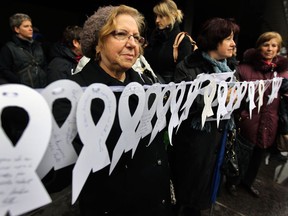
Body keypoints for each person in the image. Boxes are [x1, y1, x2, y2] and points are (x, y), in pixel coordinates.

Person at [54, 5, 173, 216]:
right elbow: (62, 170)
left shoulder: (146, 83)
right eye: (121, 34)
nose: (132, 44)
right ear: (97, 43)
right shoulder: (73, 94)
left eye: (137, 38)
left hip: (157, 204)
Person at [170, 17, 240, 216]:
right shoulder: (189, 66)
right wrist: (217, 98)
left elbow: (237, 103)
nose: (234, 44)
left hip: (218, 139)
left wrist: (237, 98)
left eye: (233, 38)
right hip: (193, 143)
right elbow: (181, 103)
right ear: (213, 39)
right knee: (185, 195)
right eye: (228, 39)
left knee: (204, 193)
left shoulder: (230, 68)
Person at [233, 31, 288, 198]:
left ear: (278, 49)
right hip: (248, 118)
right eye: (266, 44)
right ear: (259, 47)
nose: (269, 49)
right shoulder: (244, 68)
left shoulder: (282, 73)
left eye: (273, 45)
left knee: (258, 155)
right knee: (241, 153)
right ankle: (233, 182)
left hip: (270, 120)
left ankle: (248, 182)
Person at [144, 0, 193, 83]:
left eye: (161, 16)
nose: (157, 20)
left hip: (169, 90)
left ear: (173, 15)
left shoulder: (183, 40)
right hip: (150, 85)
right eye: (156, 16)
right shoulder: (155, 36)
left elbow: (183, 75)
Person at [0, 13, 48, 87]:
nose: (30, 29)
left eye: (31, 26)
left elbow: (44, 65)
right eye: (26, 26)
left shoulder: (38, 46)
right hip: (22, 90)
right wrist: (20, 82)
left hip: (41, 88)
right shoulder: (8, 48)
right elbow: (4, 70)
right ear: (17, 29)